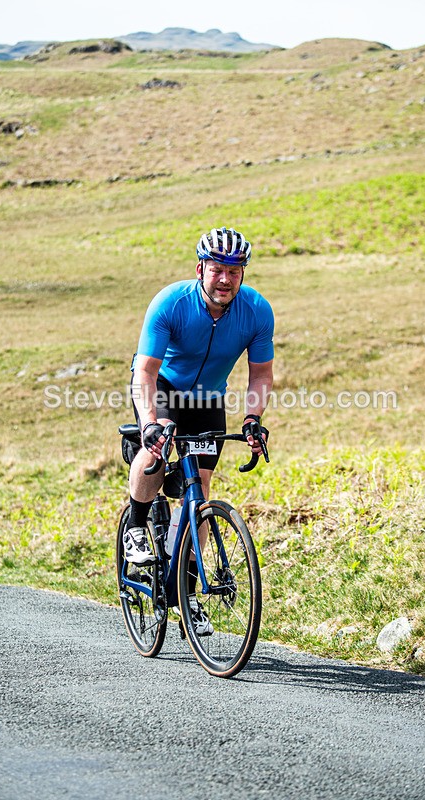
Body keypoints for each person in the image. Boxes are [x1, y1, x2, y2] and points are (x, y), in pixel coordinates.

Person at [124, 226, 274, 633]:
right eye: (217, 269)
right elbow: (145, 371)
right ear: (200, 269)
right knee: (155, 448)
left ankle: (186, 594)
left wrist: (252, 420)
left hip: (208, 399)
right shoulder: (171, 303)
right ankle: (137, 526)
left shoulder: (257, 310)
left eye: (235, 270)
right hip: (163, 387)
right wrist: (152, 423)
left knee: (201, 489)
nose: (225, 279)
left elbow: (260, 375)